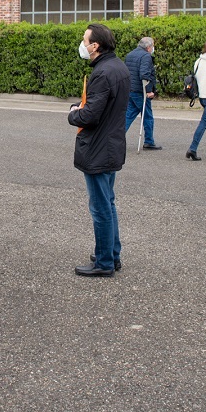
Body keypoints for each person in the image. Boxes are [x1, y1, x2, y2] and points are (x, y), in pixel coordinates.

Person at [68, 23, 130, 276]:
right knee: (108, 203)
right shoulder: (118, 67)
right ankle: (111, 254)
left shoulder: (103, 72)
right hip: (111, 145)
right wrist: (81, 106)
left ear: (95, 46)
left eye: (85, 40)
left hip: (98, 148)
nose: (82, 45)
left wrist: (73, 115)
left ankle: (104, 262)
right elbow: (100, 105)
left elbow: (91, 115)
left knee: (100, 207)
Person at [123, 36, 161, 150]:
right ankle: (149, 141)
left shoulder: (130, 55)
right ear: (149, 47)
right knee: (148, 116)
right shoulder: (146, 56)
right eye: (153, 45)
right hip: (140, 91)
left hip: (130, 89)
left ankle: (115, 137)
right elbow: (144, 74)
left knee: (128, 115)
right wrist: (149, 90)